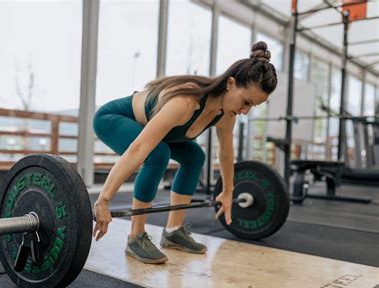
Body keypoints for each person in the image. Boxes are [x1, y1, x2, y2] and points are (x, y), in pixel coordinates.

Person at [92, 41, 277, 264]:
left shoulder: (227, 115)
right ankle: (136, 236)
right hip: (113, 119)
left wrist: (228, 191)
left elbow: (227, 154)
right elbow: (139, 148)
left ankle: (173, 231)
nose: (245, 111)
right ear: (230, 83)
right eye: (245, 102)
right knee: (157, 154)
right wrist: (104, 200)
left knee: (195, 156)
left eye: (252, 107)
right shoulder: (186, 103)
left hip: (159, 132)